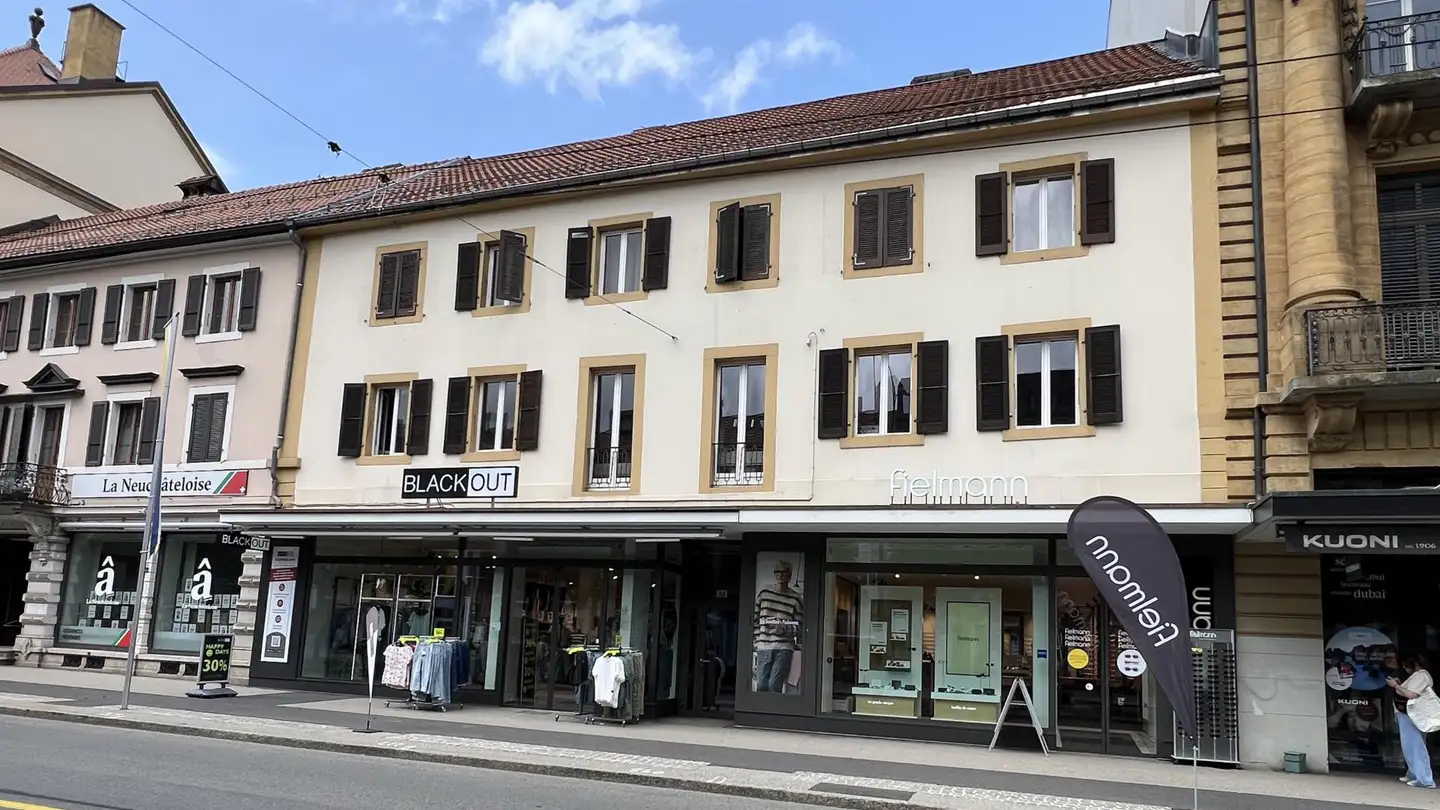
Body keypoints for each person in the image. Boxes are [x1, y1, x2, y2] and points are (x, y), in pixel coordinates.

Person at [752, 559, 802, 693]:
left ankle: (773, 713)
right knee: (761, 684)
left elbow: (800, 626)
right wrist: (757, 640)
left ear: (790, 575)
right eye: (777, 572)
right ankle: (761, 712)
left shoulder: (795, 598)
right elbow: (754, 619)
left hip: (784, 647)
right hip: (764, 645)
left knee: (774, 685)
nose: (780, 575)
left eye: (784, 572)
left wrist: (784, 629)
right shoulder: (764, 593)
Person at [1388, 653, 1436, 790]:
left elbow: (1411, 694)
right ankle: (1414, 774)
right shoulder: (1419, 676)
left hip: (1412, 714)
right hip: (1408, 714)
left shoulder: (1421, 675)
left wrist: (1395, 686)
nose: (1404, 668)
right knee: (1411, 746)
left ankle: (1425, 779)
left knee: (1415, 746)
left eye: (1406, 666)